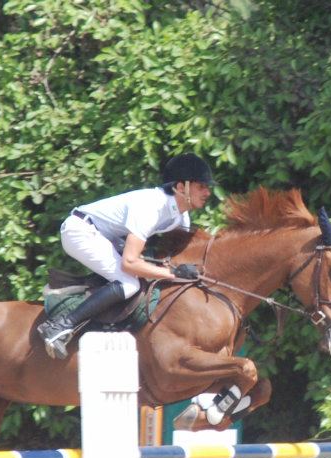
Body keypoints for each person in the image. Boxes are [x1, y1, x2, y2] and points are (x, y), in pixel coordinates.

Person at [37, 152, 214, 358]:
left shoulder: (180, 217)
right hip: (79, 231)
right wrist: (173, 274)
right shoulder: (151, 206)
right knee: (129, 284)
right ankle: (59, 326)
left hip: (106, 237)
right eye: (202, 186)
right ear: (181, 187)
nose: (208, 192)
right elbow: (129, 262)